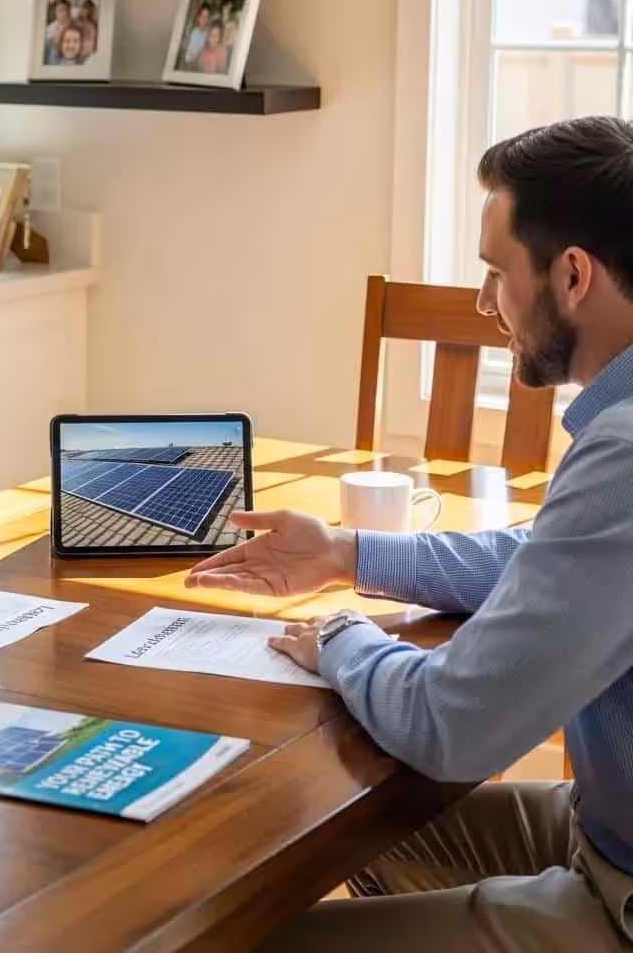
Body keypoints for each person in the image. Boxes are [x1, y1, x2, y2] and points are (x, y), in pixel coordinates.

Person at [186, 115, 633, 951]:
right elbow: (541, 556)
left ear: (573, 275)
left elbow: (451, 724)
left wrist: (342, 635)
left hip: (621, 900)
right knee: (283, 843)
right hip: (604, 829)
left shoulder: (627, 451)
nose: (483, 303)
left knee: (245, 934)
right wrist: (344, 554)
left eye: (496, 272)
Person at [44, 0, 73, 65]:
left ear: (68, 11)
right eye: (58, 10)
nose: (59, 13)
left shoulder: (74, 26)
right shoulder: (50, 28)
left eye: (63, 10)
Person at [183, 3, 213, 69]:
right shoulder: (193, 33)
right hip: (190, 65)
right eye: (202, 16)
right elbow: (187, 57)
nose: (204, 19)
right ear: (198, 17)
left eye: (206, 16)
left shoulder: (209, 33)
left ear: (209, 19)